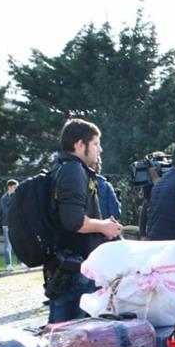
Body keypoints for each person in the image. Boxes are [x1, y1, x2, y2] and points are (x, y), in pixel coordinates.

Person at [47, 119, 123, 323]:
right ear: (80, 145)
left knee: (60, 337)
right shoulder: (73, 170)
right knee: (72, 340)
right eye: (96, 144)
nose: (100, 149)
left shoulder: (61, 167)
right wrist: (104, 226)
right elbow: (74, 221)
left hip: (68, 266)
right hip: (75, 270)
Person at [0, 179, 17, 270]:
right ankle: (8, 264)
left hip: (16, 223)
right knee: (8, 245)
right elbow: (6, 211)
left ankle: (21, 262)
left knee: (18, 243)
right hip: (7, 224)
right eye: (15, 187)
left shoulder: (17, 196)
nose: (16, 189)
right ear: (9, 187)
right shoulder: (4, 198)